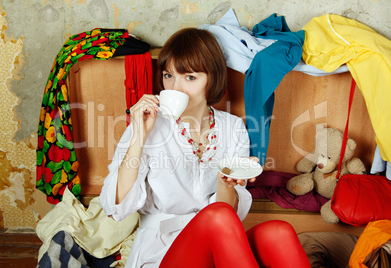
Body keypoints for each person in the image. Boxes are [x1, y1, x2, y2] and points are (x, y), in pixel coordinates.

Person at [100, 28, 310, 268]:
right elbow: (114, 207)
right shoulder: (147, 125)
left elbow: (230, 214)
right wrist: (139, 137)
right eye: (169, 75)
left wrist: (225, 182)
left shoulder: (233, 128)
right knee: (217, 217)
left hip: (217, 245)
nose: (174, 88)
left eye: (190, 77)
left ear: (212, 79)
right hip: (162, 251)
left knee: (278, 232)